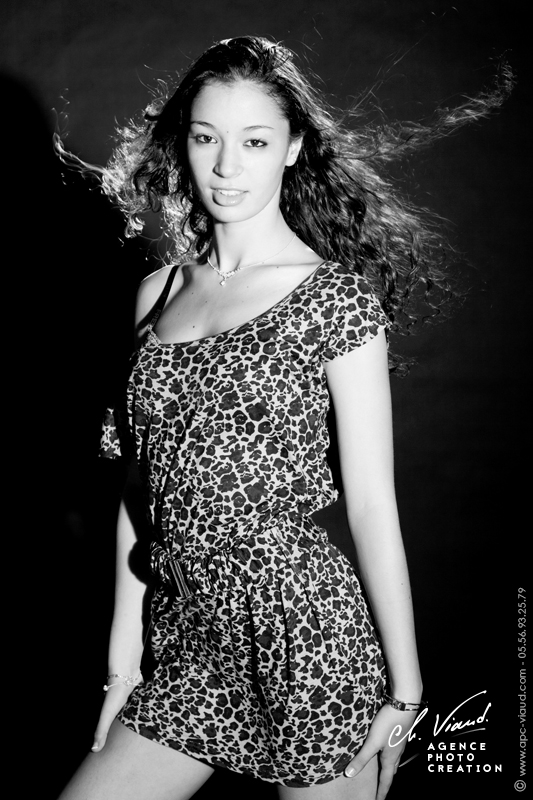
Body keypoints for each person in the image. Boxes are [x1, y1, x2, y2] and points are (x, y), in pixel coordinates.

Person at [56, 35, 511, 800]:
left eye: (255, 141)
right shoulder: (157, 293)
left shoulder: (333, 298)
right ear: (183, 144)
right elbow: (140, 493)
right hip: (187, 642)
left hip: (302, 636)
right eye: (206, 139)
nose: (228, 166)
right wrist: (123, 660)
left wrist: (404, 691)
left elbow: (370, 504)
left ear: (293, 147)